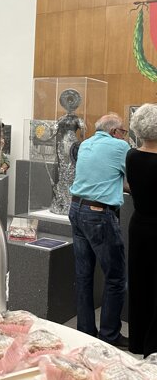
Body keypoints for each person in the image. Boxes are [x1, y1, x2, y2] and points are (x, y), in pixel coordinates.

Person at [68, 113, 130, 348]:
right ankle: (109, 336)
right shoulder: (120, 147)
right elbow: (132, 178)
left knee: (84, 276)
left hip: (76, 209)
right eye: (123, 131)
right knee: (115, 278)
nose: (124, 136)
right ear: (114, 132)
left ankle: (85, 332)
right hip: (99, 214)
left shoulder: (85, 144)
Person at [126, 103, 157, 357]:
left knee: (139, 283)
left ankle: (137, 341)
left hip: (139, 226)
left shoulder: (132, 156)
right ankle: (153, 346)